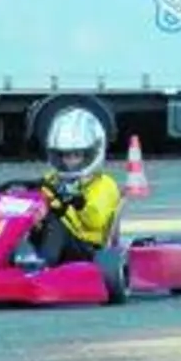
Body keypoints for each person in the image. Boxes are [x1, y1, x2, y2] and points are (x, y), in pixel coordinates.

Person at [31, 107, 122, 267]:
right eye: (66, 155)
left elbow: (95, 222)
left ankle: (41, 266)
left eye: (76, 155)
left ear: (92, 154)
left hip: (87, 250)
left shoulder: (104, 184)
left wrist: (79, 202)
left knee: (55, 221)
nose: (70, 161)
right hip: (52, 242)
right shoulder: (50, 180)